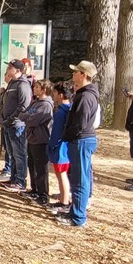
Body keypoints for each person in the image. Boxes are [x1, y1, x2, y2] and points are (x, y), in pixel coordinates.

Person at [55, 60, 100, 228]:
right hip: (81, 139)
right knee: (81, 177)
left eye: (76, 72)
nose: (73, 74)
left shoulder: (86, 96)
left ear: (84, 75)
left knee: (79, 179)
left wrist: (67, 135)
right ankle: (76, 211)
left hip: (81, 141)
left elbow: (79, 124)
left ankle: (78, 217)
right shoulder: (83, 93)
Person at [18, 79, 54, 207]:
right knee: (32, 165)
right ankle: (34, 190)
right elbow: (22, 115)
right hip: (32, 139)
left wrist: (27, 117)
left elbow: (32, 120)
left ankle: (43, 194)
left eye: (37, 87)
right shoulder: (35, 102)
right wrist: (27, 116)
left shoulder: (45, 105)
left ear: (44, 90)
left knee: (41, 169)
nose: (34, 88)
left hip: (41, 140)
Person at [0, 59, 32, 193]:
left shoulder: (22, 85)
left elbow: (23, 106)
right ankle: (13, 178)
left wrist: (11, 119)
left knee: (19, 154)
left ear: (18, 70)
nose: (8, 69)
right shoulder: (12, 83)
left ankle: (20, 181)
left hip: (16, 125)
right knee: (12, 153)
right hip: (7, 124)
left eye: (11, 67)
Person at [47, 82, 73, 215]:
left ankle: (64, 202)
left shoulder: (61, 113)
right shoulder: (68, 109)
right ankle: (64, 199)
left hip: (60, 149)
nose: (54, 96)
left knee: (62, 175)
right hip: (64, 148)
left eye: (55, 93)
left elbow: (56, 133)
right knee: (62, 175)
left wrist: (51, 146)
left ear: (61, 95)